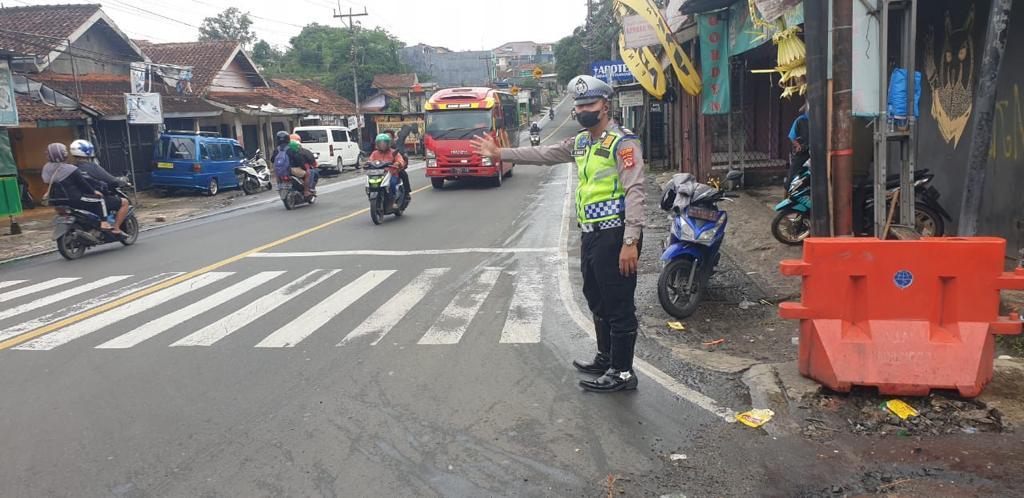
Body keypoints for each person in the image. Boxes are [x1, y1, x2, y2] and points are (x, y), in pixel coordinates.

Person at [471, 74, 645, 393]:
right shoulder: (581, 142)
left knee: (618, 303)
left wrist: (630, 240)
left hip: (617, 235)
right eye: (578, 106)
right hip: (591, 235)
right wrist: (501, 154)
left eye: (589, 104)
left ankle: (622, 372)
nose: (582, 111)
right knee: (596, 297)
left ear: (605, 106)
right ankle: (606, 357)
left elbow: (635, 190)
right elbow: (543, 154)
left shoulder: (623, 142)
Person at [41, 143, 122, 234]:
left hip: (57, 200)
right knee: (100, 200)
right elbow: (83, 184)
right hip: (75, 199)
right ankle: (104, 222)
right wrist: (94, 192)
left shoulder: (46, 169)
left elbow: (46, 182)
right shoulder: (71, 169)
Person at [68, 139, 130, 233]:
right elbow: (110, 180)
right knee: (124, 202)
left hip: (78, 199)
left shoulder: (71, 167)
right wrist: (123, 183)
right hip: (94, 198)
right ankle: (116, 228)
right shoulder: (92, 167)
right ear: (87, 151)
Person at [369, 133, 408, 203]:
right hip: (378, 174)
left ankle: (394, 200)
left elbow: (400, 160)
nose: (382, 145)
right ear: (377, 144)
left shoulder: (393, 152)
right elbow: (370, 160)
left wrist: (398, 163)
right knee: (370, 184)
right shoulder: (374, 153)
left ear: (388, 143)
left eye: (384, 143)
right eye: (380, 143)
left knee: (392, 183)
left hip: (391, 174)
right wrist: (367, 163)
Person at [787, 102, 810, 189]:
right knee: (791, 177)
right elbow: (792, 136)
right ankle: (786, 196)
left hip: (814, 152)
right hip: (802, 152)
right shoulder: (800, 120)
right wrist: (798, 146)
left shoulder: (819, 120)